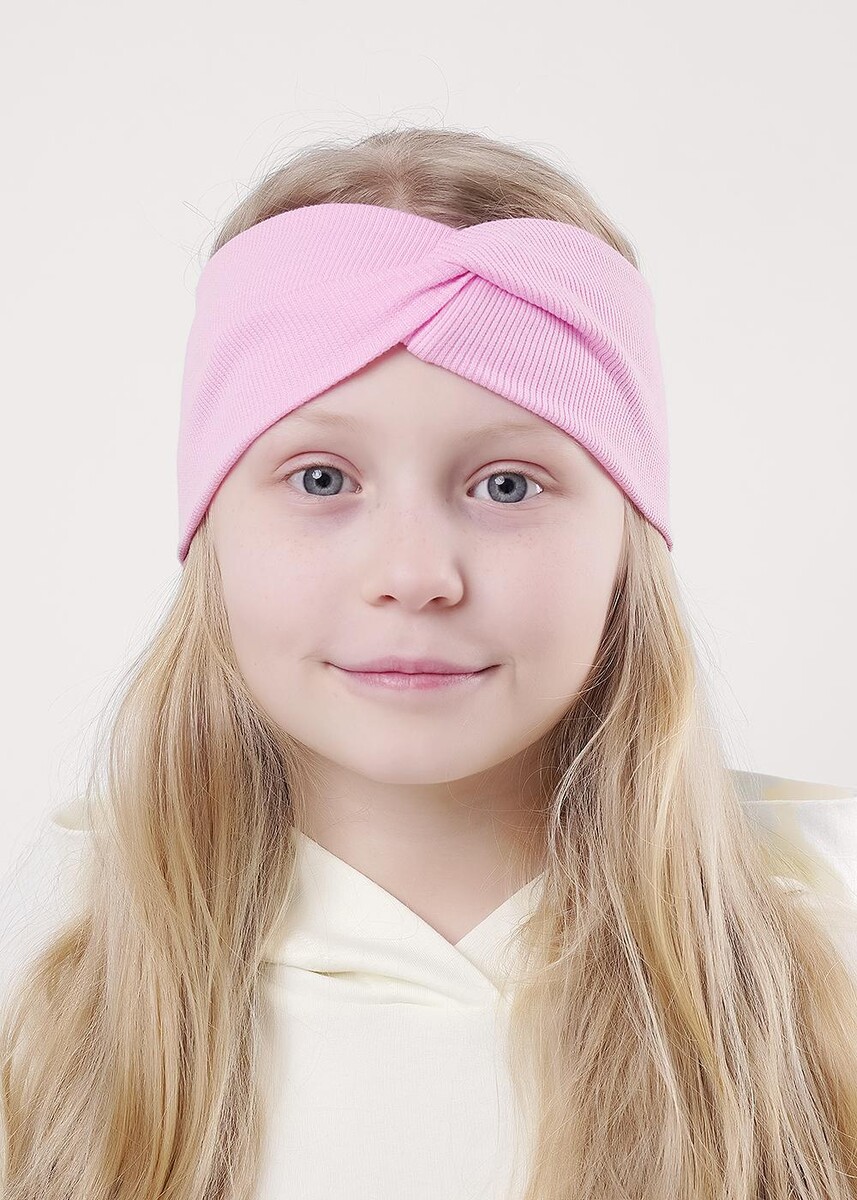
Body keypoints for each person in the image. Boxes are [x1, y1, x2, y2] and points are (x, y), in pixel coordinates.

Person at [1, 124, 856, 1200]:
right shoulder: (41, 1006)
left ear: (627, 540)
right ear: (209, 528)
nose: (413, 575)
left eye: (506, 484)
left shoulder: (822, 987)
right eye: (321, 479)